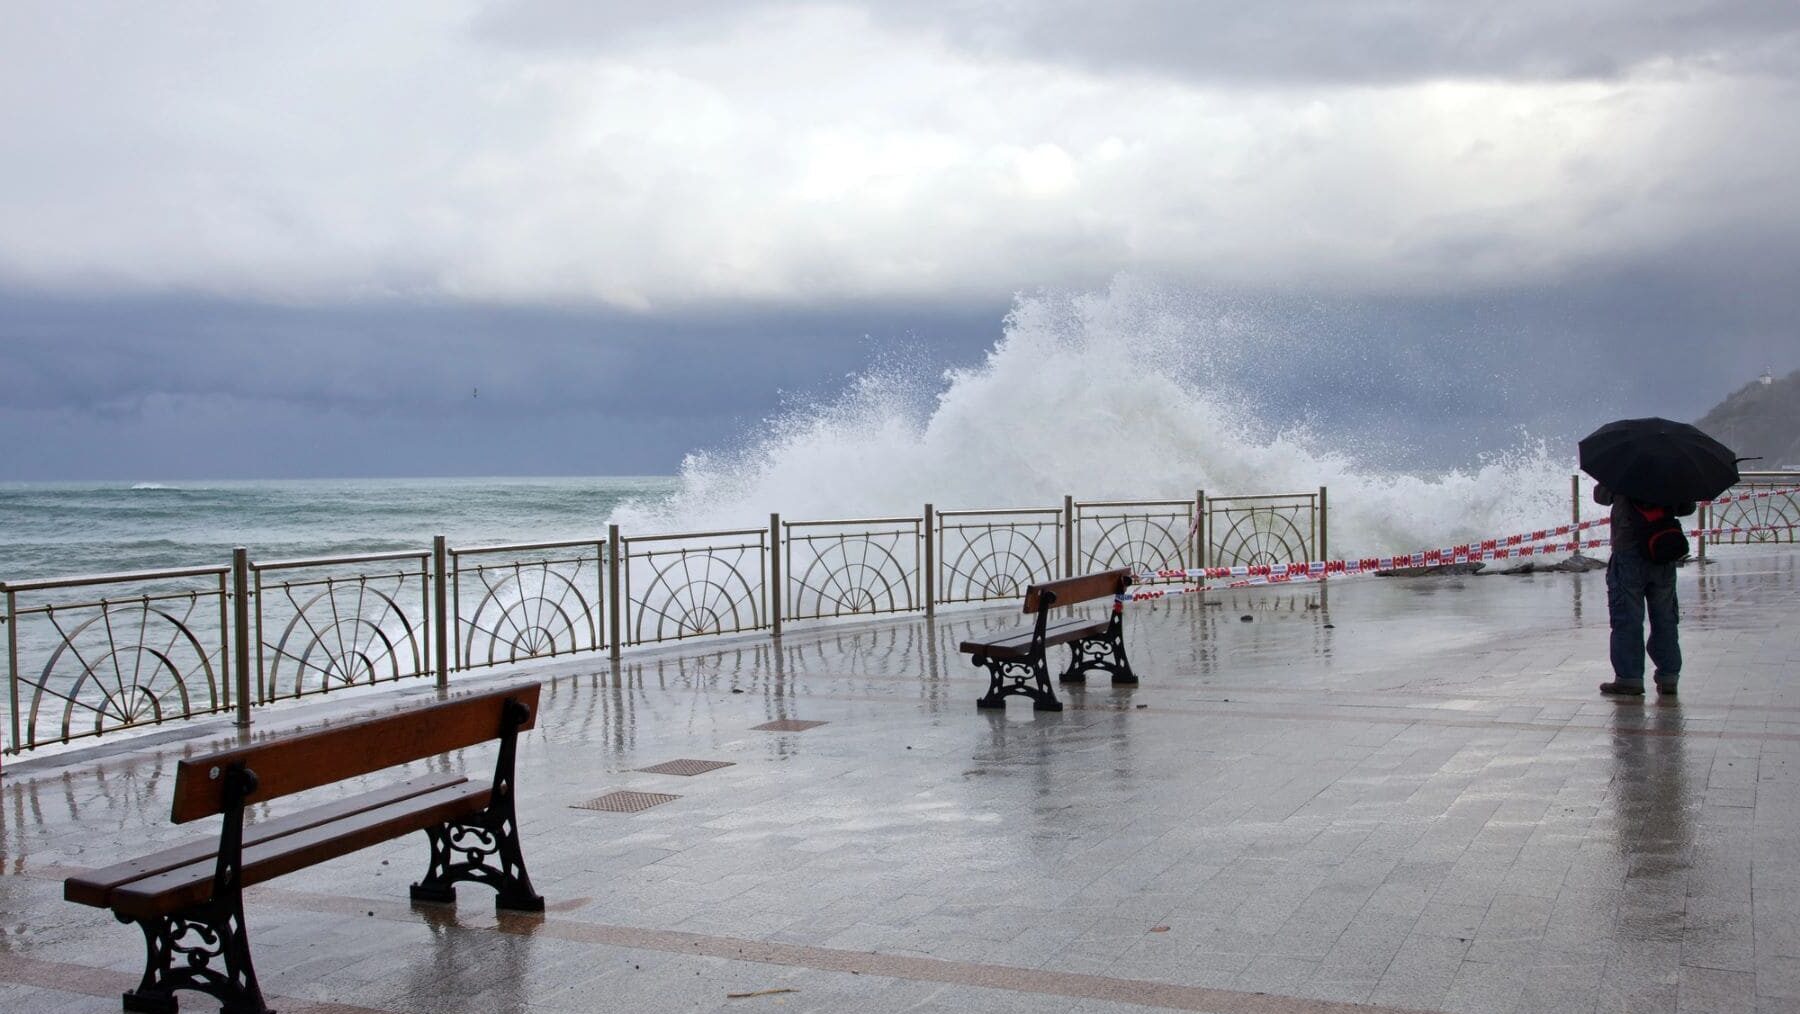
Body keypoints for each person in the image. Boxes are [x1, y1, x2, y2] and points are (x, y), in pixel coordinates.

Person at [1594, 483, 1695, 697]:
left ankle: (1629, 679)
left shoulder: (1625, 465)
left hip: (1628, 552)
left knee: (1627, 617)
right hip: (1661, 549)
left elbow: (1601, 496)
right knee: (1665, 617)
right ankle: (1669, 676)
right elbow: (1687, 508)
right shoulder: (1670, 469)